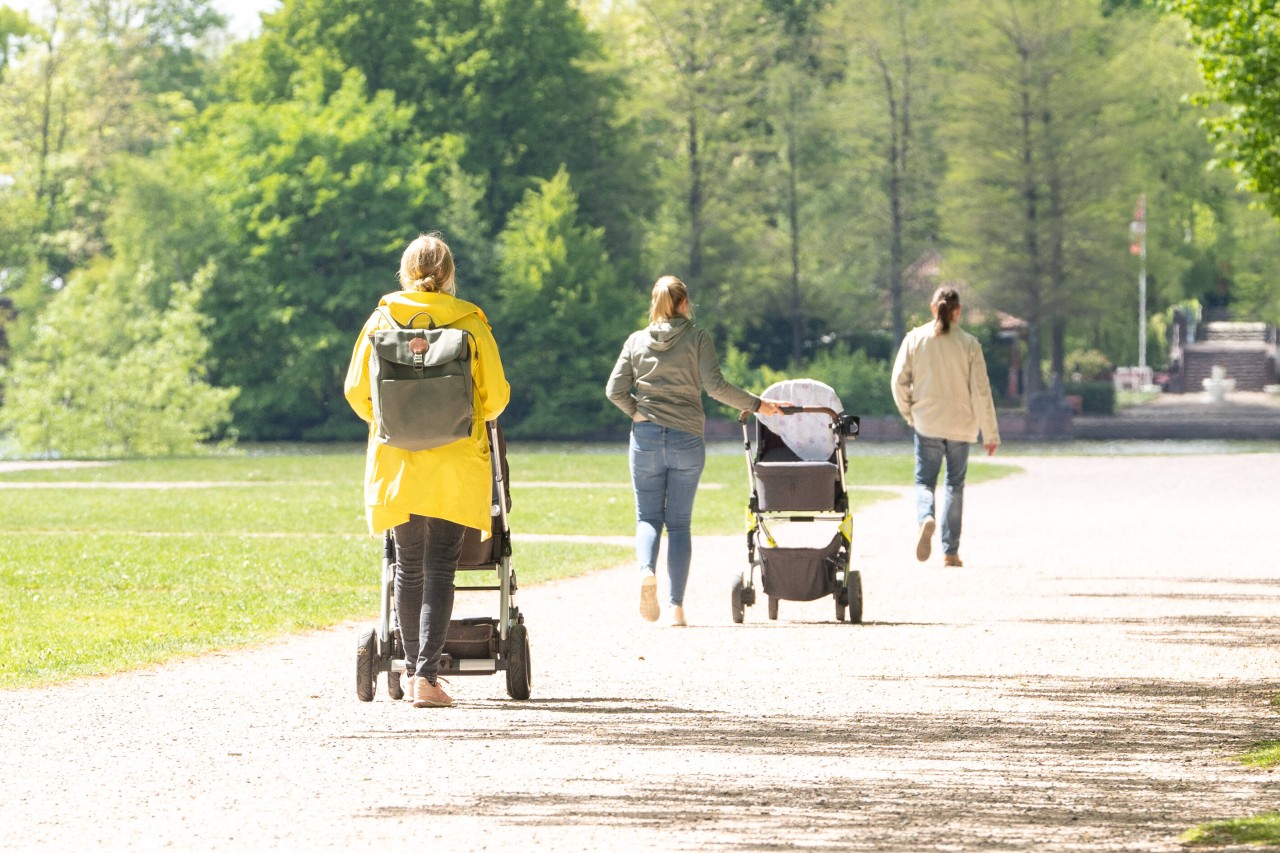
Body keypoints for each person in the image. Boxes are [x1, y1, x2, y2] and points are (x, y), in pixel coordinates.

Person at [344, 232, 509, 707]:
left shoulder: (381, 320)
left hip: (398, 462)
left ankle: (413, 669)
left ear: (404, 270)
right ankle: (424, 678)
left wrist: (393, 421)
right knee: (440, 566)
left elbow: (358, 392)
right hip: (456, 461)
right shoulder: (471, 323)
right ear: (450, 273)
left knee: (407, 567)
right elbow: (494, 398)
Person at [606, 275, 789, 626]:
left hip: (644, 439)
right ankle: (676, 607)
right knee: (678, 524)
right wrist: (759, 405)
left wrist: (636, 412)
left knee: (647, 518)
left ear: (655, 303)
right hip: (686, 439)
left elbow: (614, 390)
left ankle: (647, 571)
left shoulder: (635, 341)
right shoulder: (697, 337)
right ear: (684, 303)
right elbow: (716, 387)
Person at [891, 285, 1000, 568]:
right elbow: (981, 391)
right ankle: (950, 551)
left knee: (924, 481)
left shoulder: (915, 339)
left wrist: (909, 412)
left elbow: (898, 382)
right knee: (955, 485)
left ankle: (925, 517)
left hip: (926, 422)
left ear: (932, 307)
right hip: (961, 427)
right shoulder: (970, 344)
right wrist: (990, 433)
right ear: (958, 311)